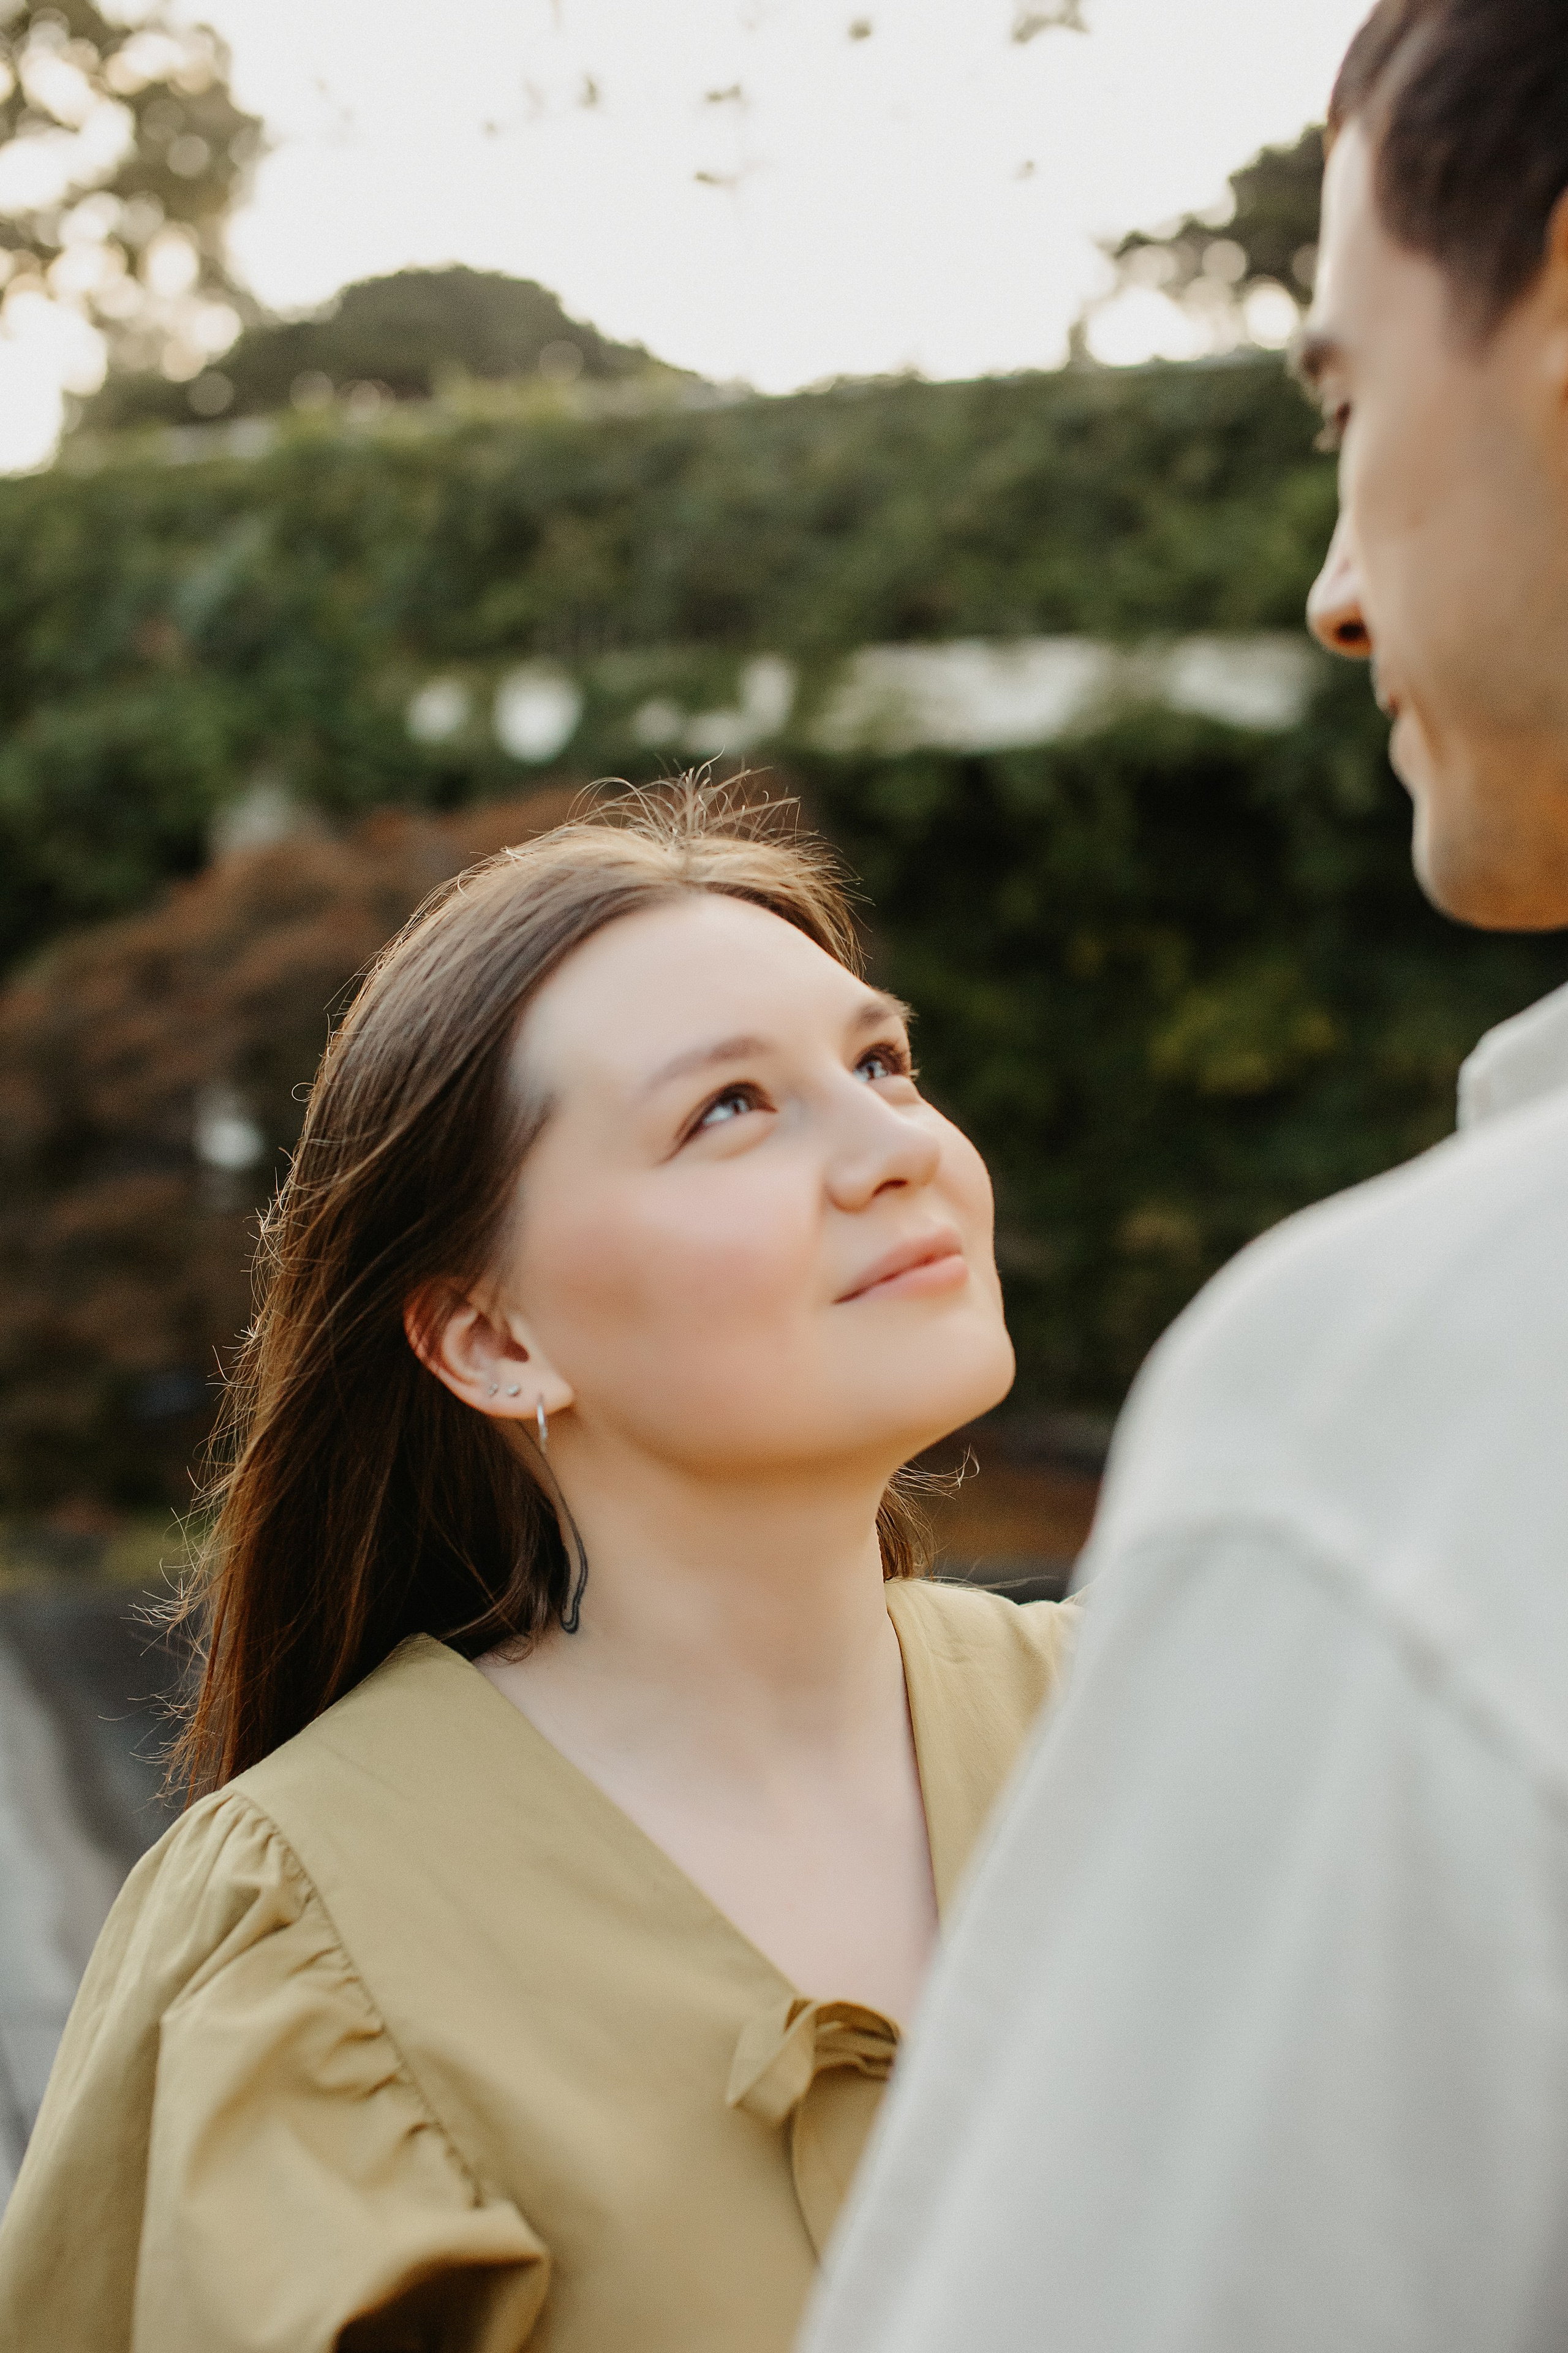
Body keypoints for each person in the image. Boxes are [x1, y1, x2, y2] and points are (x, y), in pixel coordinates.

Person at [801, 4, 1568, 2349]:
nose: (1338, 587)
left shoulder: (1397, 1429)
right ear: (476, 1318)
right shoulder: (287, 1910)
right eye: (729, 1104)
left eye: (1344, 407)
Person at [0, 787, 1079, 2353]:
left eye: (879, 1062)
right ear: (494, 1340)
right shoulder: (298, 1940)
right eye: (728, 1109)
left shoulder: (1161, 1727)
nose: (891, 1150)